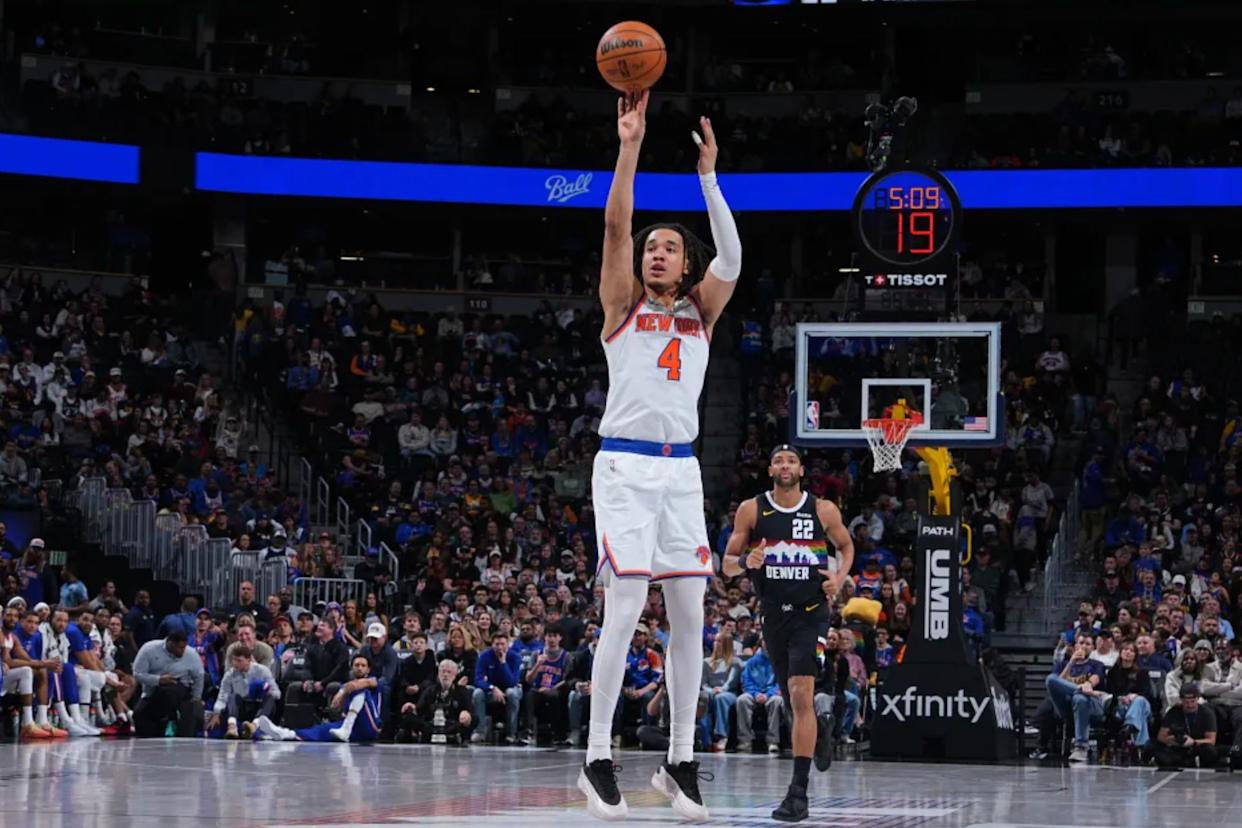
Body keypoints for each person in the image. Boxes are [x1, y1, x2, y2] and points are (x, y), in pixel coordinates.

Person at [581, 89, 742, 824]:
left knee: (690, 613)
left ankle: (680, 761)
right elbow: (616, 223)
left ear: (685, 265)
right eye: (652, 246)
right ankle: (597, 758)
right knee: (623, 609)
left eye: (668, 247)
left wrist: (709, 178)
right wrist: (630, 145)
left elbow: (734, 256)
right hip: (624, 465)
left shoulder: (702, 311)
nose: (655, 251)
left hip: (682, 470)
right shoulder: (621, 304)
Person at [722, 445, 854, 822]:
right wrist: (746, 561)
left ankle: (798, 794)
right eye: (779, 460)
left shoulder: (822, 509)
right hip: (773, 618)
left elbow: (846, 547)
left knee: (799, 694)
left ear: (800, 469)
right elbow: (728, 565)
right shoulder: (752, 509)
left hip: (811, 614)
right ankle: (822, 727)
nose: (785, 465)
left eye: (791, 460)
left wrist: (839, 578)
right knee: (797, 702)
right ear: (770, 470)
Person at [256, 654, 382, 743]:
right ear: (352, 668)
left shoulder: (374, 681)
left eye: (363, 665)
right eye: (357, 665)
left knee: (358, 688)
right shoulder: (345, 686)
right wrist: (340, 700)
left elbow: (357, 685)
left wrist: (342, 692)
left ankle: (346, 728)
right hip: (354, 729)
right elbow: (336, 707)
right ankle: (283, 733)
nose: (360, 668)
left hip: (370, 727)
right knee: (318, 730)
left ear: (368, 669)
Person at [131, 628, 205, 737]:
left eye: (184, 647)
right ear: (170, 643)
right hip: (153, 691)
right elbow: (137, 673)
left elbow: (199, 676)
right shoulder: (149, 649)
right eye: (179, 648)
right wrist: (158, 680)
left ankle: (172, 718)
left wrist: (196, 698)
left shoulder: (191, 654)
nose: (182, 651)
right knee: (138, 714)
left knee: (170, 691)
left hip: (181, 690)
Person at [207, 645, 280, 739]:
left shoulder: (262, 671)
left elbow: (277, 694)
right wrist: (216, 712)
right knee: (232, 696)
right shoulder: (229, 674)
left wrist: (266, 689)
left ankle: (254, 726)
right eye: (233, 660)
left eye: (239, 661)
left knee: (270, 698)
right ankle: (232, 727)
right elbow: (223, 695)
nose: (235, 663)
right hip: (242, 707)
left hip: (258, 706)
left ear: (249, 660)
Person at [403, 658, 475, 744]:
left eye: (449, 672)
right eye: (443, 672)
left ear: (455, 675)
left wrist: (466, 715)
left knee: (473, 719)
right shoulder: (430, 690)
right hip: (431, 725)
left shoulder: (462, 691)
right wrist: (411, 707)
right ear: (438, 674)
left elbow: (471, 712)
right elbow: (419, 709)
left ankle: (457, 737)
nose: (445, 675)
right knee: (407, 716)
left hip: (451, 725)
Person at [1154, 683, 1217, 769]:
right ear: (1181, 700)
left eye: (1192, 701)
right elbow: (1161, 736)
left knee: (1210, 751)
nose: (1190, 705)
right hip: (1177, 748)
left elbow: (1211, 740)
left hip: (1197, 746)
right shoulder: (1174, 711)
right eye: (1186, 702)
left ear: (1198, 699)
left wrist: (1193, 742)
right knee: (1160, 755)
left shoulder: (1207, 713)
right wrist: (1171, 740)